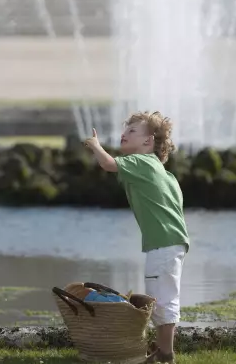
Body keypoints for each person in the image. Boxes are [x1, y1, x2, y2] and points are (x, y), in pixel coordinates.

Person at [84, 112, 189, 364]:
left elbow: (109, 164)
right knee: (163, 295)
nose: (124, 133)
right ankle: (162, 351)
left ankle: (165, 355)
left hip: (163, 244)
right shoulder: (160, 171)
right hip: (171, 242)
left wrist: (95, 146)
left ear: (148, 142)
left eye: (132, 131)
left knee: (161, 299)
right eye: (126, 129)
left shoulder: (142, 163)